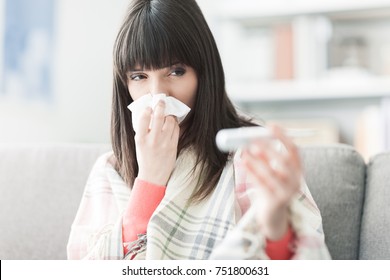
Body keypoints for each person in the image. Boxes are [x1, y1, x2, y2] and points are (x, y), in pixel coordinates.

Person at [67, 0, 331, 260]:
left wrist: (276, 225)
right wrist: (149, 181)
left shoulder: (249, 155)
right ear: (124, 85)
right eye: (139, 77)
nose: (158, 96)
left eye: (176, 72)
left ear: (203, 73)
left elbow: (305, 255)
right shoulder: (109, 170)